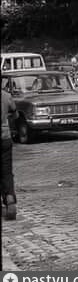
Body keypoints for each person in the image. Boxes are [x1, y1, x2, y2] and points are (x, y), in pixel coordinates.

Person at [2, 85, 16, 220]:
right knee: (6, 171)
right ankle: (10, 198)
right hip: (5, 138)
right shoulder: (6, 96)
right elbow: (15, 113)